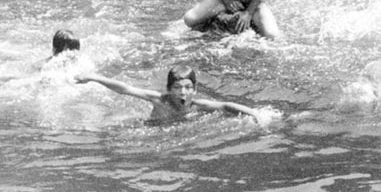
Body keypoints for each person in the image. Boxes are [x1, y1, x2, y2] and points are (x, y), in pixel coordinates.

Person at [76, 64, 261, 123]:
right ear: (168, 89)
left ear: (194, 90)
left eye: (188, 88)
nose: (183, 92)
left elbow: (227, 106)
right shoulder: (160, 100)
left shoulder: (198, 105)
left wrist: (255, 114)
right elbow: (125, 89)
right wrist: (94, 77)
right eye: (177, 88)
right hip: (152, 126)